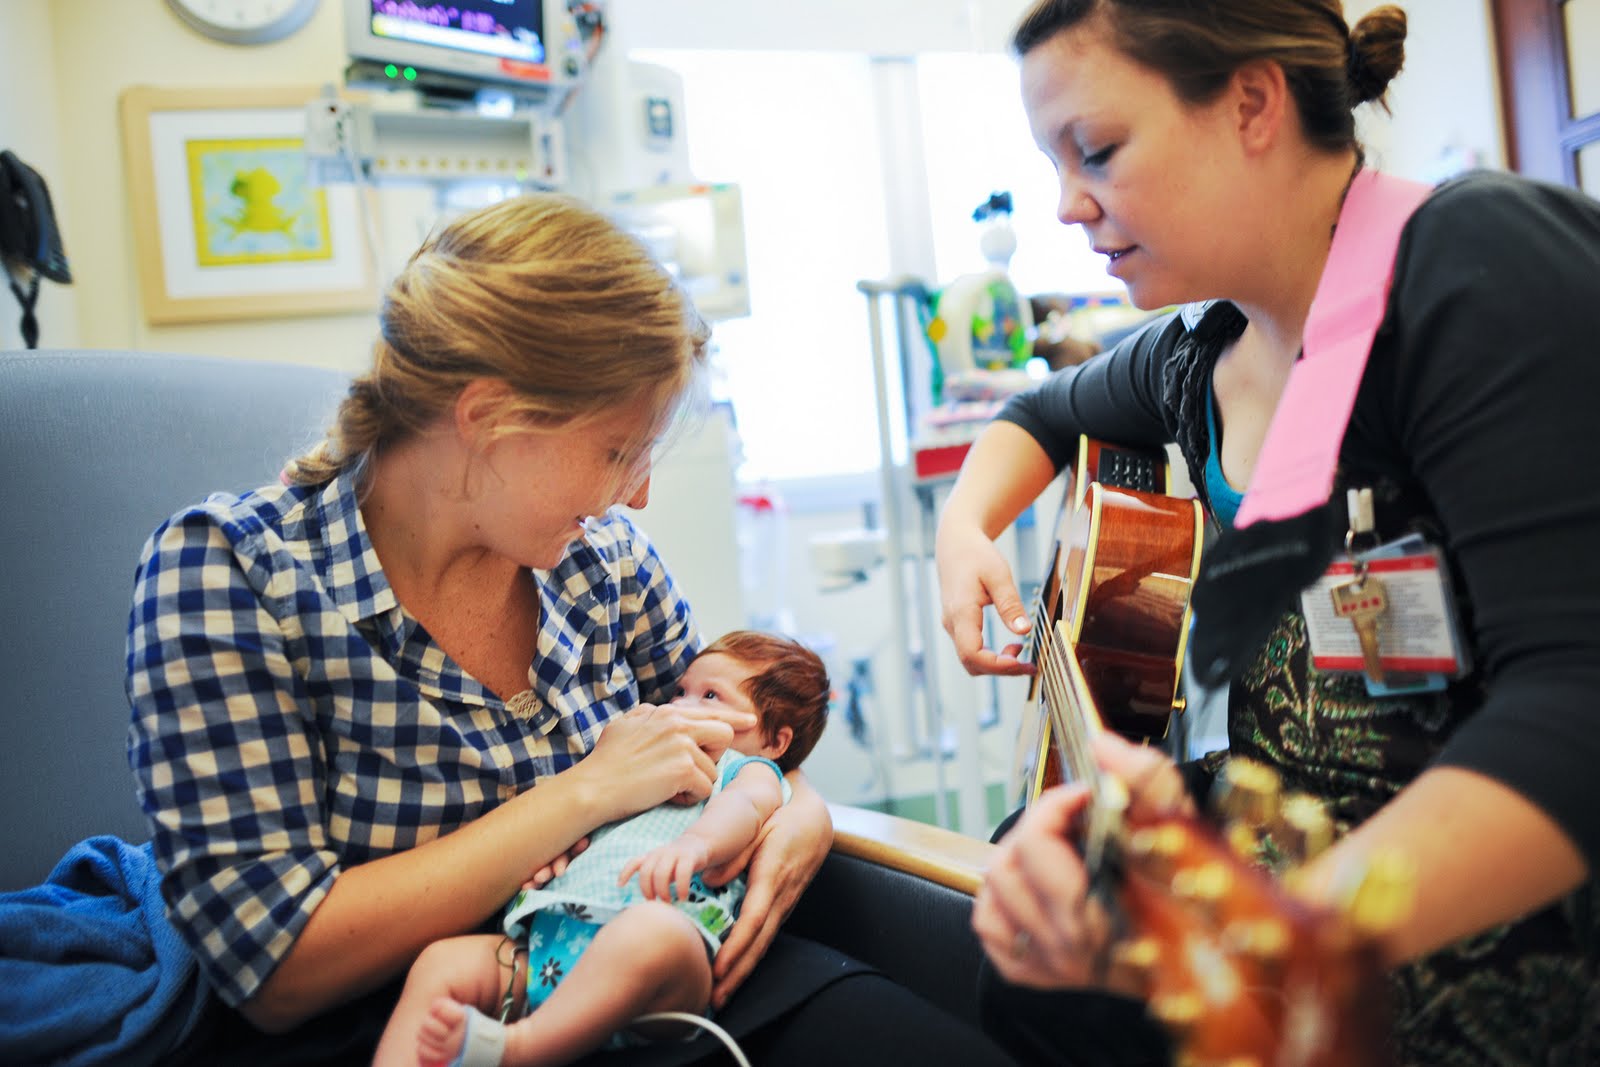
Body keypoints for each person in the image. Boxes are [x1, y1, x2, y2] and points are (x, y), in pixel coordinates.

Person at [127, 193, 1017, 1066]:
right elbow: (277, 968)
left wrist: (801, 813)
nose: (635, 494)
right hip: (421, 1012)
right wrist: (582, 794)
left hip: (658, 967)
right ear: (487, 417)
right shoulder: (233, 574)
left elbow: (741, 744)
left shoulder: (606, 562)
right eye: (618, 450)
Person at [934, 2, 1600, 1065]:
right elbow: (1039, 416)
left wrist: (1266, 934)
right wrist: (964, 529)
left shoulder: (1469, 266)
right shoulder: (1197, 354)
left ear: (1252, 103)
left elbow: (1576, 701)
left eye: (1096, 150)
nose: (1066, 204)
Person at [371, 630, 829, 1067]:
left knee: (649, 932)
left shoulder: (747, 770)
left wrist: (698, 843)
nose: (681, 707)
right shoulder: (653, 763)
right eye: (681, 691)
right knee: (441, 963)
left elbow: (745, 809)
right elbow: (596, 821)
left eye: (710, 697)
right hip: (553, 950)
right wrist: (563, 855)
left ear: (773, 740)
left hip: (661, 973)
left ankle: (520, 1048)